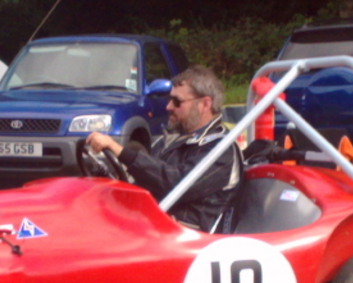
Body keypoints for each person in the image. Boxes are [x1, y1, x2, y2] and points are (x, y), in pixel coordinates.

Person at [86, 65, 242, 233]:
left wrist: (121, 152)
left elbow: (176, 183)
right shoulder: (169, 141)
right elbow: (146, 183)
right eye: (169, 99)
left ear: (204, 104)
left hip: (190, 239)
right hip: (156, 229)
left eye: (177, 101)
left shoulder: (221, 150)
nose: (168, 107)